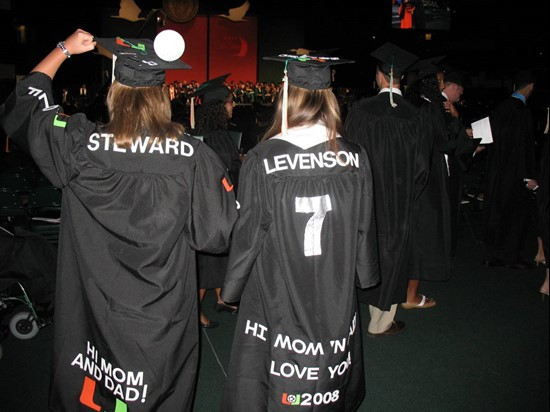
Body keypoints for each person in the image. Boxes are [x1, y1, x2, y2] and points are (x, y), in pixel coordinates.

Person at [0, 29, 237, 411]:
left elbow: (21, 107)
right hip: (161, 317)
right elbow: (216, 237)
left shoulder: (77, 143)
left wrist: (62, 49)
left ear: (113, 89)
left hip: (93, 314)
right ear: (163, 95)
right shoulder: (193, 156)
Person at [220, 54, 379, 411]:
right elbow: (364, 224)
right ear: (329, 96)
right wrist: (365, 272)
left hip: (278, 281)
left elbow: (249, 234)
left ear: (287, 95)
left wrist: (231, 289)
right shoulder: (354, 156)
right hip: (333, 280)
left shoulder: (263, 158)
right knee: (329, 348)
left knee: (274, 360)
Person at [345, 43, 430, 334]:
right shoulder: (416, 115)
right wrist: (405, 195)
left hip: (363, 198)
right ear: (400, 79)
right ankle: (381, 321)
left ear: (379, 76)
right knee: (393, 253)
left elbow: (347, 157)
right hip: (399, 202)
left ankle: (349, 314)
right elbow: (422, 169)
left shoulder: (359, 110)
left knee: (362, 248)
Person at [191, 74, 242, 328]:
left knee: (219, 256)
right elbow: (226, 172)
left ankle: (222, 296)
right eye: (231, 102)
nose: (233, 106)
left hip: (204, 204)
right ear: (220, 107)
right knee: (210, 260)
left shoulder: (203, 132)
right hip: (215, 206)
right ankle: (193, 312)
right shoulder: (220, 138)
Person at [402, 56, 451, 309]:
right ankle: (411, 296)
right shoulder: (431, 108)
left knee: (408, 236)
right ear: (430, 83)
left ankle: (402, 291)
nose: (443, 86)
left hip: (406, 177)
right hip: (428, 179)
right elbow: (444, 143)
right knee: (423, 237)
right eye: (440, 81)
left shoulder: (407, 105)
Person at [483, 70, 538, 269]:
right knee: (516, 214)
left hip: (497, 170)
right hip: (516, 173)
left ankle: (491, 254)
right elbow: (525, 148)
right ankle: (510, 255)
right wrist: (528, 177)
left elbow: (488, 135)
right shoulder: (523, 112)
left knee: (496, 211)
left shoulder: (501, 108)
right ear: (530, 86)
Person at [441, 69, 481, 256]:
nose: (461, 95)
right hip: (445, 169)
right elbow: (448, 142)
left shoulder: (442, 106)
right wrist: (470, 147)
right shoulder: (443, 107)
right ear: (455, 87)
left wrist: (463, 133)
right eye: (460, 91)